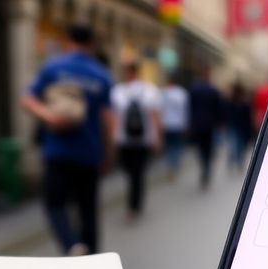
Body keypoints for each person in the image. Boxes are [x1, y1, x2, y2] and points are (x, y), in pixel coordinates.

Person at [22, 26, 114, 256]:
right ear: (91, 44)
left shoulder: (53, 67)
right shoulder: (101, 74)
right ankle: (92, 260)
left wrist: (50, 116)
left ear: (68, 41)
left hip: (58, 151)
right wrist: (107, 155)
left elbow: (27, 99)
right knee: (88, 210)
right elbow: (109, 120)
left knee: (55, 204)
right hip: (90, 152)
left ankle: (71, 245)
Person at [111, 62, 162, 219]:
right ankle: (135, 205)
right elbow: (155, 116)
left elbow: (113, 116)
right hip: (143, 139)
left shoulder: (117, 91)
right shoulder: (150, 90)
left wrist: (112, 137)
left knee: (133, 173)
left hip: (124, 139)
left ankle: (133, 206)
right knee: (137, 174)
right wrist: (157, 137)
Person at [188, 67, 223, 189]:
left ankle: (204, 165)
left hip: (198, 124)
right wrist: (219, 123)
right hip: (209, 125)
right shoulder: (213, 90)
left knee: (201, 148)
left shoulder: (194, 89)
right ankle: (206, 166)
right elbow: (218, 108)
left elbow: (190, 107)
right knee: (207, 148)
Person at [160, 74, 189, 178]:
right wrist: (185, 124)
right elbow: (184, 110)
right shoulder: (182, 93)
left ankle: (170, 165)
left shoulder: (164, 93)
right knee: (176, 146)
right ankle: (174, 164)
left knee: (169, 146)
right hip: (178, 124)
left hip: (166, 124)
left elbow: (160, 109)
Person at [226, 82, 254, 172]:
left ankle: (236, 162)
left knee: (237, 146)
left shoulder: (237, 102)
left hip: (238, 127)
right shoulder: (235, 102)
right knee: (237, 146)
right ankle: (236, 162)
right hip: (238, 127)